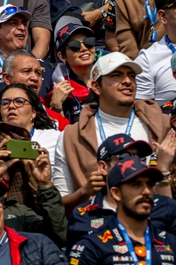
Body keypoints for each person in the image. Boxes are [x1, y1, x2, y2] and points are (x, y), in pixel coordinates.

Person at [54, 52, 168, 211]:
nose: (127, 81)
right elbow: (59, 204)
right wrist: (85, 191)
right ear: (96, 86)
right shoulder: (72, 136)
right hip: (98, 223)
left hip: (154, 220)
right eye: (116, 75)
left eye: (131, 76)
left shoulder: (162, 126)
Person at [69, 155, 173, 265]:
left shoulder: (171, 242)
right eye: (136, 185)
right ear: (116, 193)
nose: (147, 191)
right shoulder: (91, 247)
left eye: (150, 184)